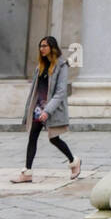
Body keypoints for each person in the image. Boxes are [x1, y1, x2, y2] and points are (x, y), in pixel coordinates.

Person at [11, 37, 80, 184]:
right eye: (40, 46)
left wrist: (47, 111)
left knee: (54, 139)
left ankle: (74, 162)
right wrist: (32, 107)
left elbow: (61, 92)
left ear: (52, 48)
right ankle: (27, 172)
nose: (41, 49)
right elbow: (35, 90)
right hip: (38, 108)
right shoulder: (40, 66)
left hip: (51, 109)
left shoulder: (62, 66)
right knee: (33, 137)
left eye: (44, 46)